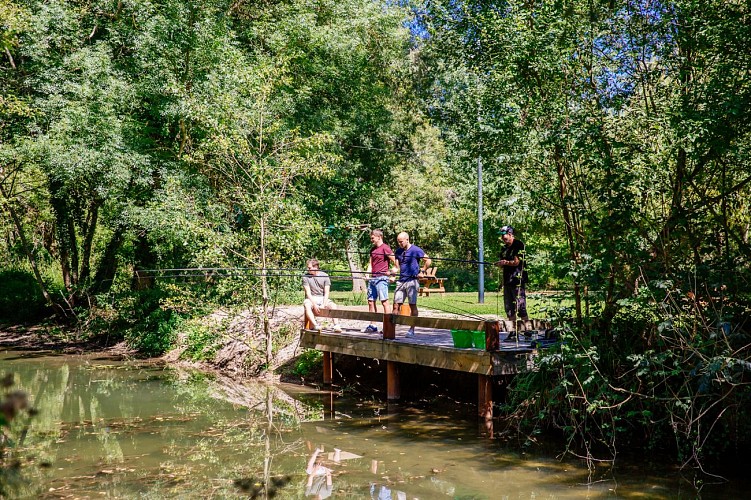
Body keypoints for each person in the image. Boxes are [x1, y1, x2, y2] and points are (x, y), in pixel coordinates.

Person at [391, 232, 431, 337]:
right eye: (398, 242)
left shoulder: (416, 250)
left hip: (412, 281)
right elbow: (396, 266)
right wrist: (392, 273)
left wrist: (422, 271)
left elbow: (428, 260)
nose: (399, 244)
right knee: (396, 305)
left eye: (401, 241)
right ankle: (391, 328)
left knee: (412, 305)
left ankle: (411, 329)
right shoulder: (398, 251)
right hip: (401, 281)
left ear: (407, 240)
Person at [362, 230, 396, 333]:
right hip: (373, 279)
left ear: (379, 237)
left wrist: (393, 274)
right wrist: (367, 274)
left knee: (384, 302)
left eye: (372, 238)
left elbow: (396, 262)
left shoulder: (385, 248)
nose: (371, 240)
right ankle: (373, 325)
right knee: (371, 302)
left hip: (382, 279)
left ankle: (387, 326)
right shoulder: (372, 250)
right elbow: (370, 263)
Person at [495, 225, 528, 323]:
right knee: (509, 309)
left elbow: (517, 262)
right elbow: (503, 264)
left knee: (521, 307)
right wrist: (500, 264)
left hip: (517, 280)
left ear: (510, 234)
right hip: (507, 280)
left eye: (503, 235)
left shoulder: (518, 245)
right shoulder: (504, 248)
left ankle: (527, 330)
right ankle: (513, 331)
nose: (502, 238)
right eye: (501, 236)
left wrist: (505, 262)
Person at [303, 259, 342, 332]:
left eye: (310, 268)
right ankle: (315, 325)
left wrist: (323, 304)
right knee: (307, 305)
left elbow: (327, 292)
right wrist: (314, 304)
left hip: (322, 297)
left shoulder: (325, 276)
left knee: (333, 305)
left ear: (316, 267)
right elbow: (308, 293)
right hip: (311, 298)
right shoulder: (305, 277)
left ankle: (336, 325)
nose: (308, 269)